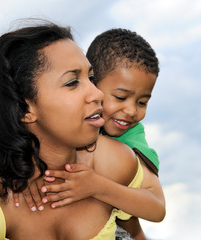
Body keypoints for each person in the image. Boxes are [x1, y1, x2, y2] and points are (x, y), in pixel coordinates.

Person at [0, 21, 163, 240]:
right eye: (72, 82)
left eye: (91, 78)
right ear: (24, 109)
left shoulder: (117, 161)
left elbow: (140, 224)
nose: (97, 94)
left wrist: (98, 186)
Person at [27, 28, 165, 240]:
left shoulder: (131, 138)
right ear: (91, 86)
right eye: (120, 98)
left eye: (142, 102)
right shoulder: (64, 123)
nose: (131, 111)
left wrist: (96, 186)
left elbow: (156, 208)